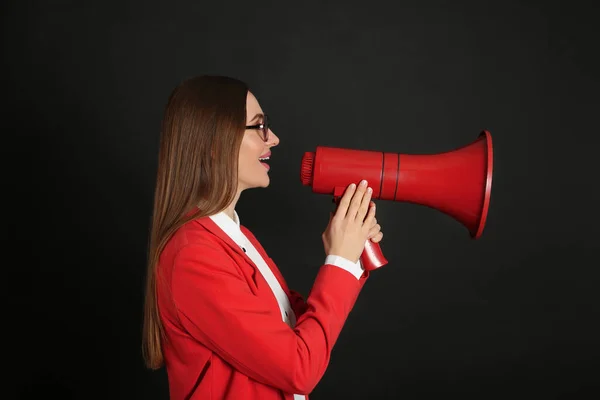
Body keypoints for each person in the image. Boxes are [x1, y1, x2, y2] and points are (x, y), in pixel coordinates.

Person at [141, 75, 384, 400]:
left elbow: (296, 327)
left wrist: (348, 256)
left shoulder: (237, 238)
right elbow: (299, 367)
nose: (274, 139)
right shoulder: (193, 256)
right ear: (216, 143)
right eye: (259, 127)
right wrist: (338, 262)